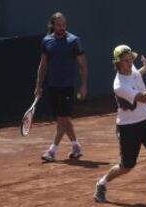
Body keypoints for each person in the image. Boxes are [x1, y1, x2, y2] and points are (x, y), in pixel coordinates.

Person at [94, 44, 146, 204]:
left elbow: (136, 75)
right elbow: (145, 97)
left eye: (131, 59)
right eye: (126, 60)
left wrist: (145, 67)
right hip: (128, 128)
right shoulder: (119, 86)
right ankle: (102, 182)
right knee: (126, 167)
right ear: (117, 63)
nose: (130, 62)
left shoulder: (132, 71)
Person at [34, 12, 88, 162]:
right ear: (52, 25)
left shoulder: (74, 41)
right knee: (62, 119)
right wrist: (39, 85)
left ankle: (52, 150)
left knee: (63, 118)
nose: (62, 27)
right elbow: (43, 65)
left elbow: (83, 66)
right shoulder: (46, 41)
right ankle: (76, 146)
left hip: (67, 86)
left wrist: (83, 86)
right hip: (53, 86)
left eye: (64, 24)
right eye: (58, 25)